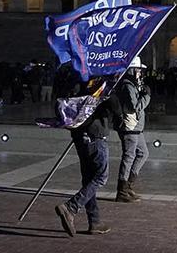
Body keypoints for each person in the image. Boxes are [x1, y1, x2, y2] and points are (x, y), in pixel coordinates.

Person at [54, 80, 122, 237]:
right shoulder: (101, 84)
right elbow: (116, 108)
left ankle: (95, 221)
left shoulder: (78, 78)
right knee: (100, 177)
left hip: (79, 135)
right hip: (96, 134)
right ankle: (71, 207)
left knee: (88, 178)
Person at [114, 57, 151, 203]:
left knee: (143, 153)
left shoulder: (132, 84)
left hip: (135, 126)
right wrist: (146, 96)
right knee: (129, 156)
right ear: (132, 70)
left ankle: (128, 185)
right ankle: (122, 190)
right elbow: (134, 107)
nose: (140, 73)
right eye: (138, 70)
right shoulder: (127, 85)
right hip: (130, 126)